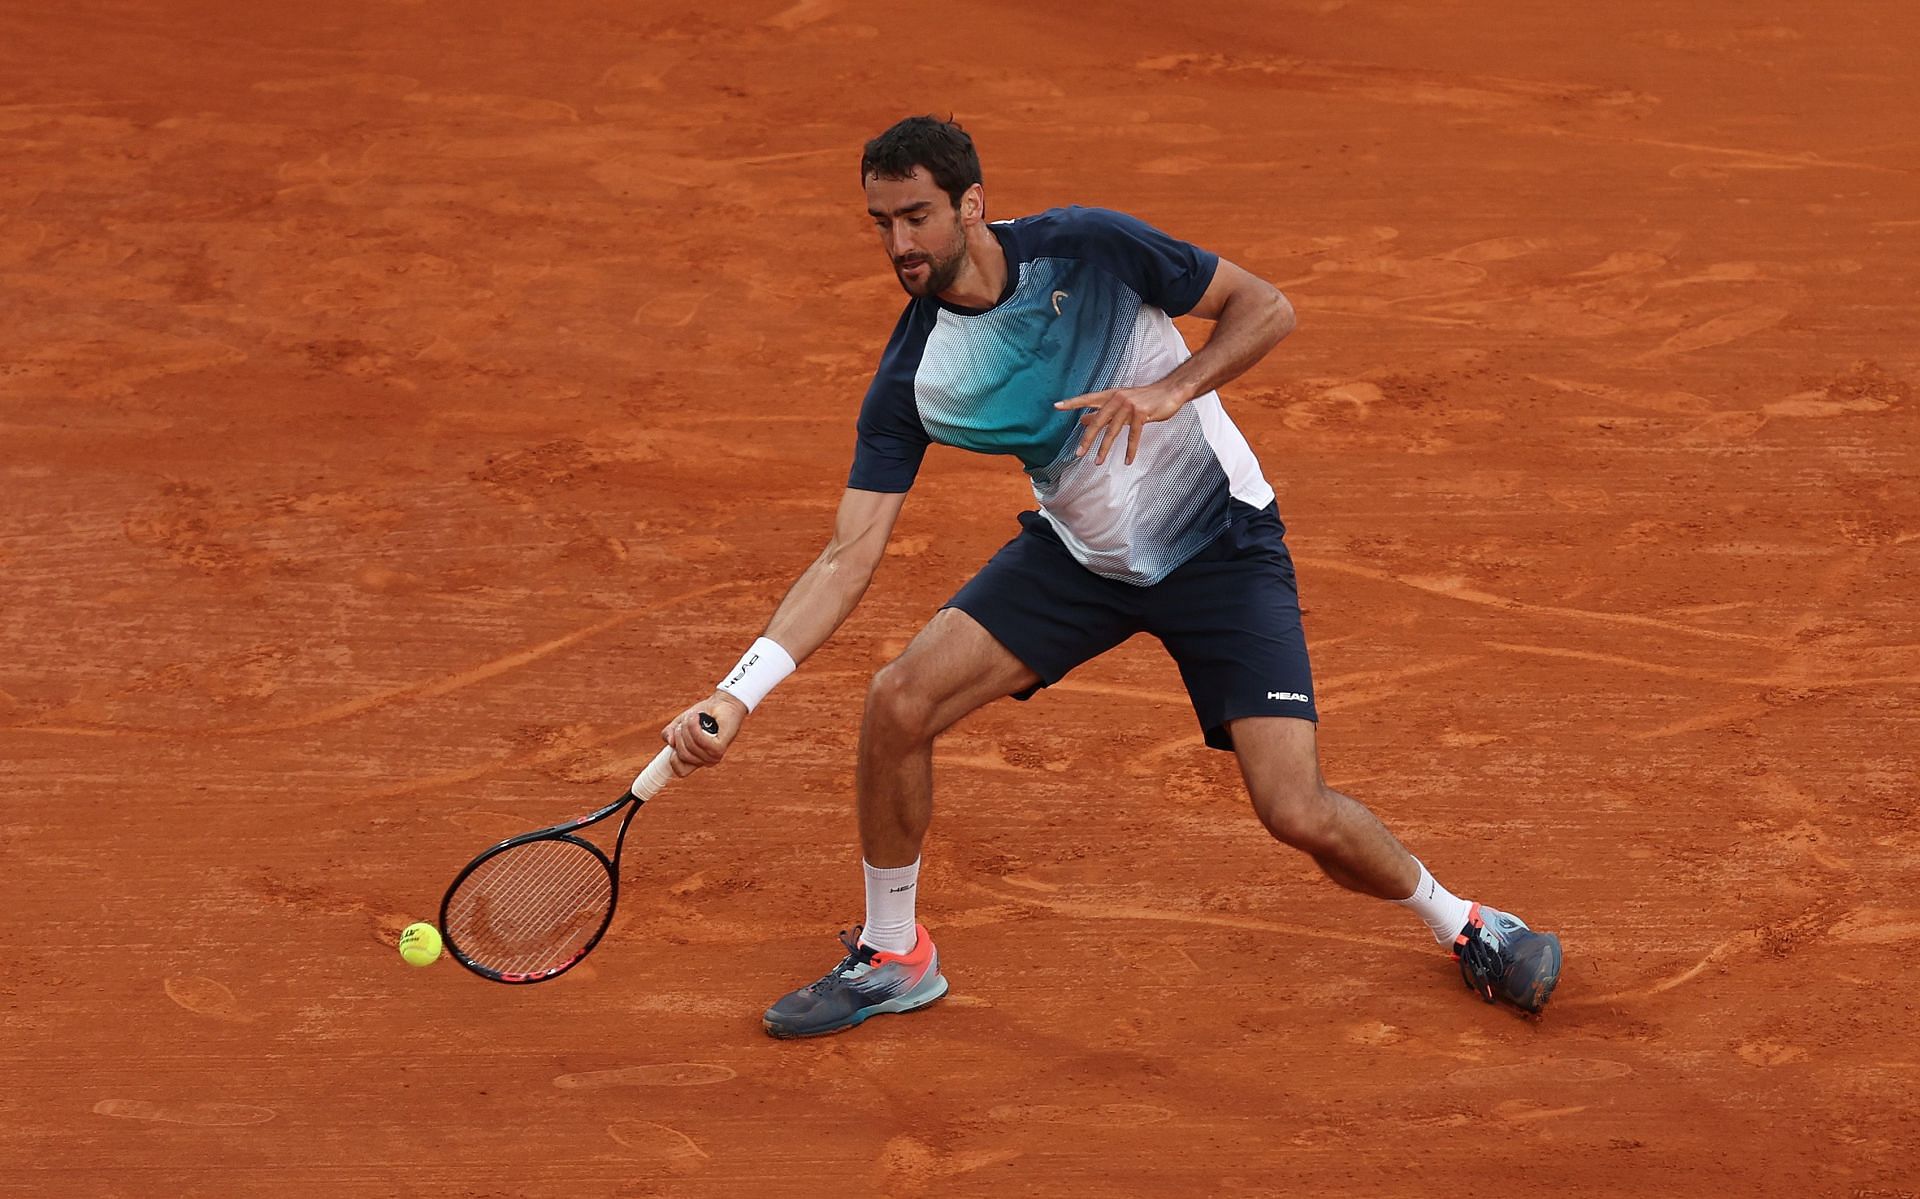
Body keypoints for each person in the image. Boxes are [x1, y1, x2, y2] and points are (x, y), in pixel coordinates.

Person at [660, 115, 1561, 1038]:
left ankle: (1471, 924)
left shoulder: (1088, 248)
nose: (899, 244)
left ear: (973, 205)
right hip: (1081, 559)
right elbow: (848, 553)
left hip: (1221, 544)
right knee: (897, 703)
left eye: (917, 216)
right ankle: (895, 954)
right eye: (881, 222)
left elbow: (1267, 308)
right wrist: (740, 693)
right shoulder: (917, 374)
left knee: (1296, 808)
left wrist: (1177, 386)